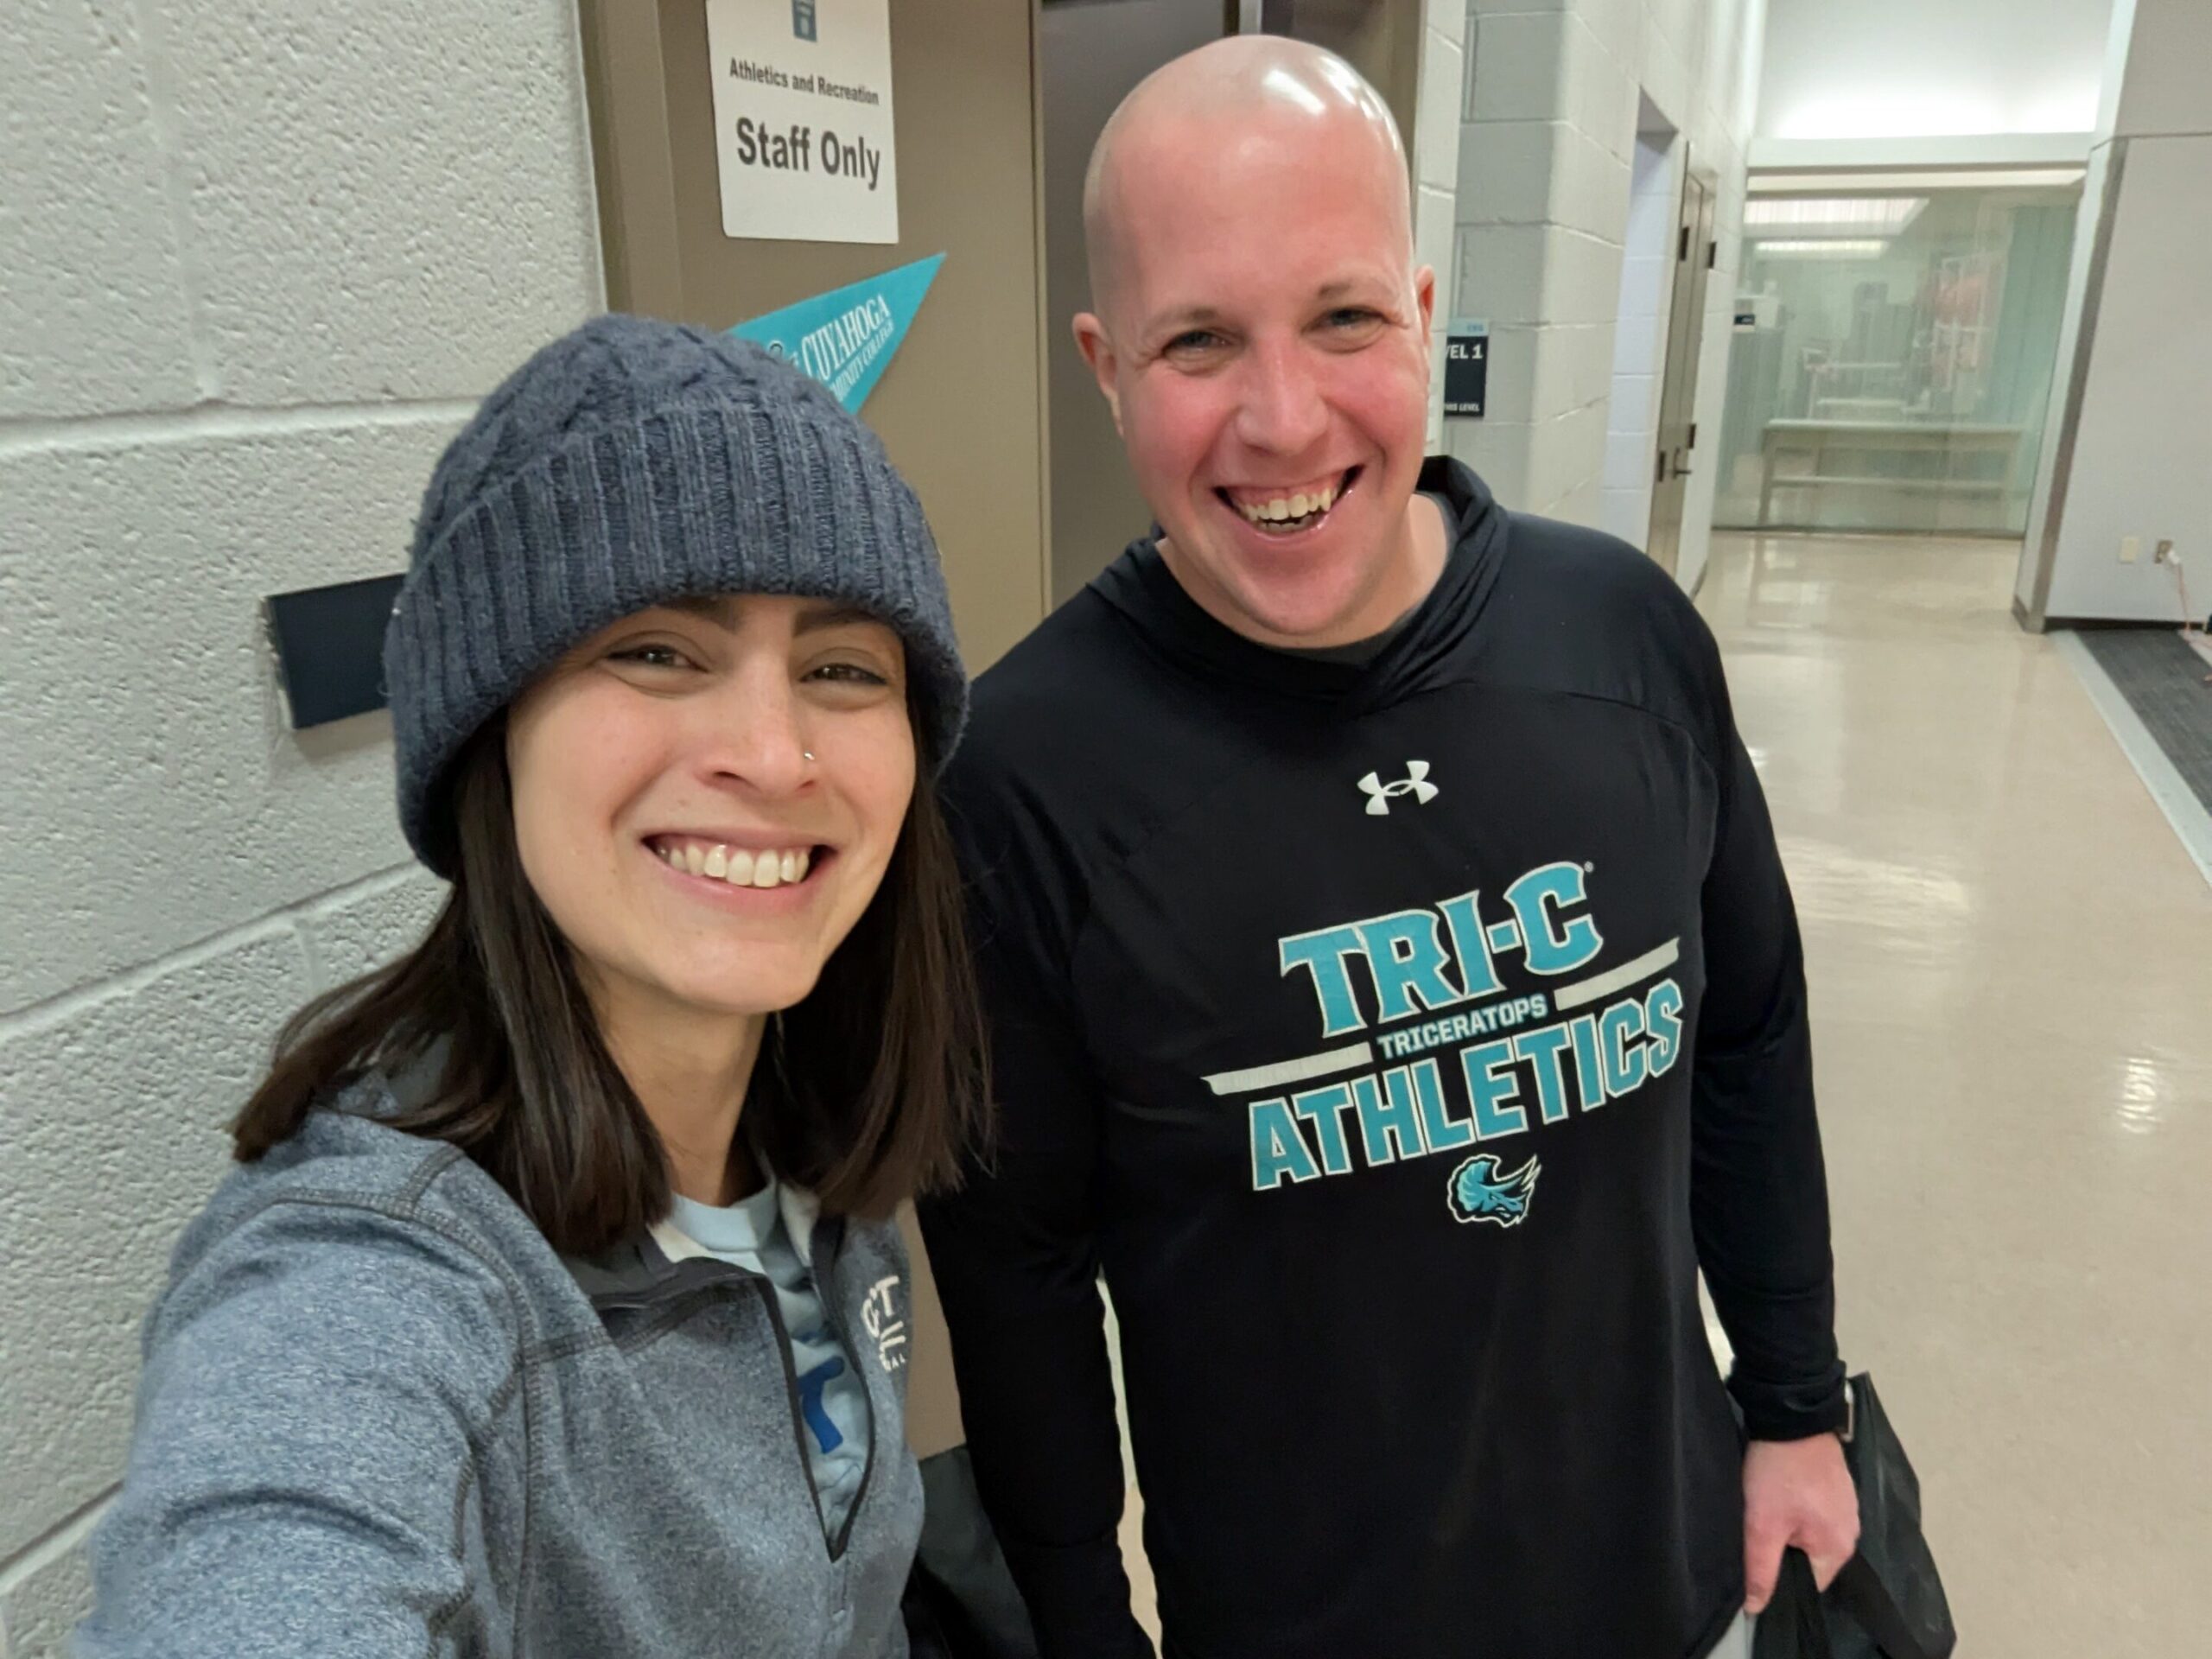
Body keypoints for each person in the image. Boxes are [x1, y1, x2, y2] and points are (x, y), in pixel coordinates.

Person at [919, 37, 1858, 1659]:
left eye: (1344, 318)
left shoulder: (1623, 638)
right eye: (1200, 339)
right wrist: (1078, 1615)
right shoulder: (1021, 778)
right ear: (1103, 363)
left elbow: (1751, 1038)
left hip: (1669, 1564)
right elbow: (1017, 1271)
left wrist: (1793, 1402)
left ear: (1423, 311)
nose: (1283, 420)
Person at [78, 315, 983, 1658]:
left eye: (842, 669)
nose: (774, 752)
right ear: (488, 736)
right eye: (659, 649)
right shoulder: (369, 1279)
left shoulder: (806, 1124)